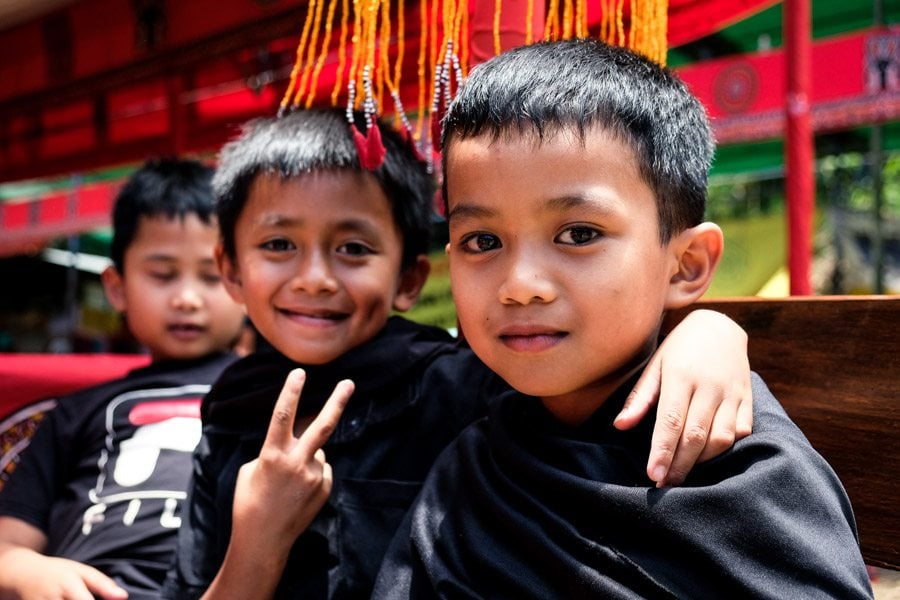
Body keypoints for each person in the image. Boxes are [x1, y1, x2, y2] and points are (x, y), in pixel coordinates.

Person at [162, 108, 755, 600]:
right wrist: (256, 544)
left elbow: (596, 373)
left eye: (351, 247)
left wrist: (709, 330)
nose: (315, 278)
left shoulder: (467, 385)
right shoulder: (233, 409)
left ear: (411, 277)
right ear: (231, 270)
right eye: (279, 244)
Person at [371, 38, 874, 598]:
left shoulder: (741, 470)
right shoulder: (473, 463)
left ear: (685, 265)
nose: (519, 285)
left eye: (579, 234)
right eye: (482, 241)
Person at [0, 157, 248, 600]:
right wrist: (28, 571)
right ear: (117, 287)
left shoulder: (279, 389)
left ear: (247, 285)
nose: (187, 299)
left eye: (211, 277)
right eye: (162, 274)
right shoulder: (74, 413)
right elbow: (8, 545)